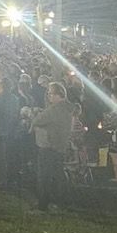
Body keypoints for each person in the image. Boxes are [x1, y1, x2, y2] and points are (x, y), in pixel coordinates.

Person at [31, 82, 73, 212]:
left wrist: (35, 115)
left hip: (49, 146)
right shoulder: (68, 109)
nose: (49, 96)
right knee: (58, 175)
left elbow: (37, 120)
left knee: (44, 176)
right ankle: (60, 202)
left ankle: (43, 203)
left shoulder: (54, 110)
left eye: (50, 94)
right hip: (60, 146)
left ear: (58, 95)